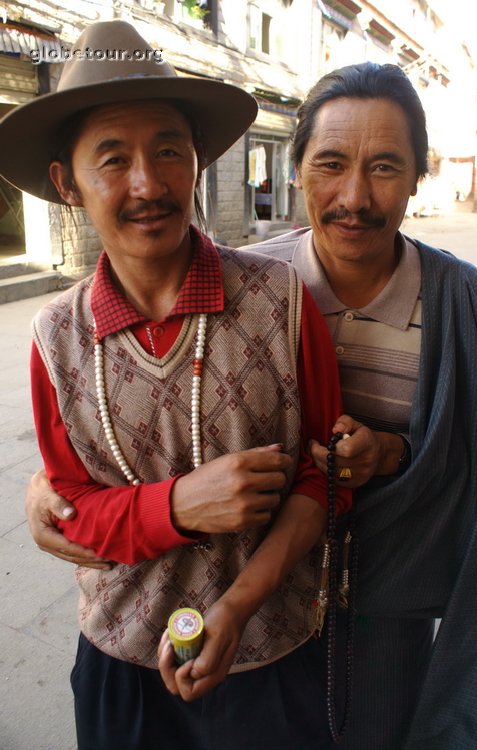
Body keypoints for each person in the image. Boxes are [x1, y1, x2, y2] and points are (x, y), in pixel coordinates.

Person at [25, 60, 477, 748]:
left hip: (365, 613)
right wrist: (60, 495)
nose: (355, 197)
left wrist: (393, 452)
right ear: (298, 169)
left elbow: (475, 455)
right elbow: (85, 473)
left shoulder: (435, 302)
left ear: (419, 173)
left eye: (387, 167)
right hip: (184, 634)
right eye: (331, 163)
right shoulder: (261, 287)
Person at [0, 21, 352, 750]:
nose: (147, 183)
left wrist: (237, 606)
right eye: (112, 158)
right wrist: (181, 507)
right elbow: (70, 513)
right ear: (66, 183)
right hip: (120, 666)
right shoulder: (55, 340)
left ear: (198, 160)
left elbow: (327, 479)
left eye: (169, 150)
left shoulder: (282, 303)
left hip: (272, 655)